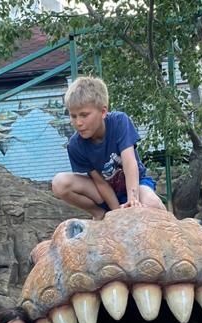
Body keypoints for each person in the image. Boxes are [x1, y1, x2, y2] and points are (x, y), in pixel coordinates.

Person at [51, 76, 165, 220]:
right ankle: (98, 213)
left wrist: (133, 200)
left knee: (152, 203)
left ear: (103, 112)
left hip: (135, 185)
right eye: (73, 116)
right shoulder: (75, 145)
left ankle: (175, 228)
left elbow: (130, 163)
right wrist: (117, 214)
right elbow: (100, 182)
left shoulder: (119, 122)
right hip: (105, 192)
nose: (78, 122)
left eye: (84, 115)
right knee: (59, 183)